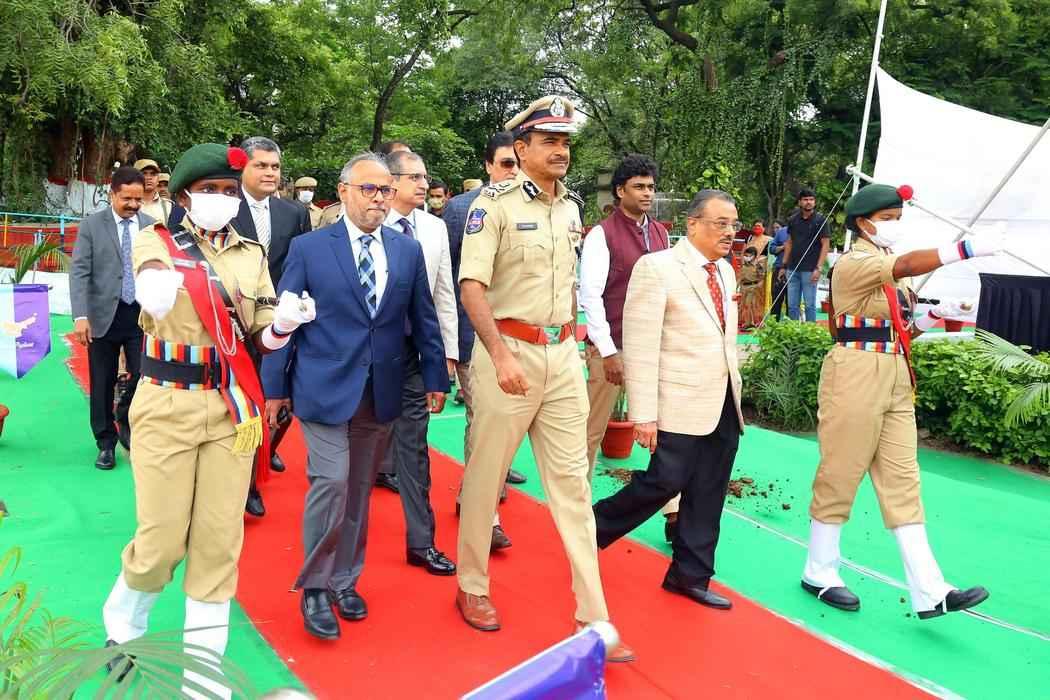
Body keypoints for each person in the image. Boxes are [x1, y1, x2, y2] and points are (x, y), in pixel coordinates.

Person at [100, 143, 315, 698]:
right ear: (183, 197)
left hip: (229, 409)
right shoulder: (157, 239)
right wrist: (156, 286)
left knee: (219, 543)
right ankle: (122, 625)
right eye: (208, 190)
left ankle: (201, 674)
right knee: (161, 541)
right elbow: (151, 286)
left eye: (227, 191)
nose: (220, 198)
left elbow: (260, 334)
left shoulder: (251, 253)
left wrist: (285, 324)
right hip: (166, 403)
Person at [455, 95, 633, 662]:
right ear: (522, 147)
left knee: (574, 486)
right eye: (549, 141)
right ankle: (472, 584)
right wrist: (499, 355)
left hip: (562, 358)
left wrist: (574, 348)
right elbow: (471, 287)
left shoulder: (571, 208)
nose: (561, 151)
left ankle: (594, 614)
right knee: (487, 476)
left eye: (565, 142)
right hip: (507, 353)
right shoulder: (493, 207)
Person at [261, 153, 448, 641]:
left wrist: (435, 376)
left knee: (360, 489)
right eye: (369, 189)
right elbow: (285, 318)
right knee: (333, 481)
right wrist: (275, 386)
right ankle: (315, 588)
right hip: (321, 386)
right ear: (343, 191)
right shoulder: (308, 248)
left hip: (380, 389)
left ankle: (344, 580)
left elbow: (423, 317)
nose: (379, 199)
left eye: (385, 190)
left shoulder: (406, 251)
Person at [801, 183, 996, 619]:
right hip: (855, 371)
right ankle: (819, 570)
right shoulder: (856, 262)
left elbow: (902, 330)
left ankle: (931, 589)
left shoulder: (893, 272)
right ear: (863, 223)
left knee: (903, 480)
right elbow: (904, 264)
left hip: (895, 374)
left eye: (897, 219)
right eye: (887, 219)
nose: (894, 226)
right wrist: (965, 250)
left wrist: (935, 315)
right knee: (840, 471)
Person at [593, 189, 744, 612]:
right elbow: (640, 346)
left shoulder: (725, 272)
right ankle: (591, 527)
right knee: (664, 480)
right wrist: (643, 415)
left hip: (722, 401)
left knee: (709, 490)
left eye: (733, 224)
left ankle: (689, 575)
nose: (730, 232)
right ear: (693, 224)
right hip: (676, 400)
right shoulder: (657, 268)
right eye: (720, 223)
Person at [577, 153, 677, 541]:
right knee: (590, 431)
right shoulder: (601, 235)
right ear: (620, 191)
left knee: (665, 432)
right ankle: (577, 507)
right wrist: (607, 351)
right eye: (639, 186)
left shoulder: (662, 234)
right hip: (611, 347)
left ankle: (674, 513)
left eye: (651, 186)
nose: (647, 193)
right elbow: (591, 296)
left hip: (654, 348)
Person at [443, 132, 525, 551]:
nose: (514, 172)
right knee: (482, 421)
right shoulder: (461, 210)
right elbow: (447, 278)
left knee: (506, 423)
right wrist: (447, 341)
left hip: (524, 340)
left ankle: (484, 488)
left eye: (519, 163)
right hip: (472, 335)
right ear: (488, 166)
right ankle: (483, 512)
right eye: (506, 164)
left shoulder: (542, 207)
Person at [381, 150, 459, 574]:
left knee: (414, 451)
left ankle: (421, 542)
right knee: (356, 455)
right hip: (365, 359)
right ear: (391, 182)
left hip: (413, 355)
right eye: (415, 177)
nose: (424, 184)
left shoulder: (433, 228)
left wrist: (445, 354)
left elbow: (443, 294)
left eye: (425, 177)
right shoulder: (364, 224)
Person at [231, 136, 313, 515]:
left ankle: (264, 453)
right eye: (260, 165)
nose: (269, 173)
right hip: (235, 325)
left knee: (282, 404)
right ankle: (245, 485)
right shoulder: (225, 209)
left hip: (283, 324)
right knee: (245, 406)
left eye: (275, 166)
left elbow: (305, 263)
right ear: (243, 169)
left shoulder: (293, 213)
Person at [70, 166, 154, 470]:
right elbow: (79, 271)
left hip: (142, 316)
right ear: (112, 194)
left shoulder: (151, 226)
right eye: (126, 198)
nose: (133, 205)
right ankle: (105, 443)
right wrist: (81, 315)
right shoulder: (92, 225)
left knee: (144, 377)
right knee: (103, 381)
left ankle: (128, 423)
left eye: (138, 199)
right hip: (102, 316)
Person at [779, 188, 829, 322]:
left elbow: (825, 244)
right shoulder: (793, 220)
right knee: (792, 306)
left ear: (815, 202)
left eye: (811, 199)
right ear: (800, 202)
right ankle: (793, 331)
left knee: (810, 305)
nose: (809, 202)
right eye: (805, 199)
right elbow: (789, 243)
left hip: (811, 269)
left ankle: (810, 331)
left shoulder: (820, 220)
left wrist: (819, 268)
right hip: (792, 268)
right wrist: (783, 265)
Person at [134, 159, 173, 225]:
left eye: (153, 174)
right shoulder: (125, 205)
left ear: (158, 179)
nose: (149, 177)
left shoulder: (168, 206)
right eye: (144, 173)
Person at [737, 246, 766, 330]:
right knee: (743, 306)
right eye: (746, 255)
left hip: (753, 287)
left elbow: (762, 278)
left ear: (754, 256)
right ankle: (747, 323)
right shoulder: (743, 266)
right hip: (744, 287)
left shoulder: (758, 266)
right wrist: (736, 287)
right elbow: (740, 277)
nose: (747, 257)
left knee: (751, 305)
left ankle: (755, 323)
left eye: (750, 255)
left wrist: (757, 287)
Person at [769, 220, 789, 320]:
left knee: (792, 302)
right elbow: (771, 249)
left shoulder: (804, 232)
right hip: (779, 268)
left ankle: (791, 326)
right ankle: (773, 324)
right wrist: (783, 247)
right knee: (776, 298)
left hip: (795, 270)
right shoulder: (782, 232)